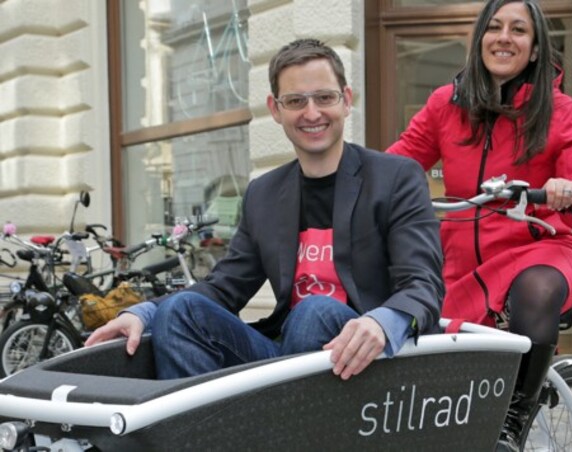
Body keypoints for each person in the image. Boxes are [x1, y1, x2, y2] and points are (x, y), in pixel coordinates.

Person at [86, 39, 444, 382]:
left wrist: (383, 322)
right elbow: (224, 287)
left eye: (324, 97)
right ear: (276, 109)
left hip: (367, 363)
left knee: (315, 311)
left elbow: (423, 285)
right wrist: (144, 312)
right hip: (286, 359)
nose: (312, 113)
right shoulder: (265, 193)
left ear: (346, 101)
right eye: (295, 101)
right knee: (180, 312)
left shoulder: (395, 177)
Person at [386, 1, 572, 450]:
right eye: (495, 27)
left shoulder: (561, 112)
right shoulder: (446, 106)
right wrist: (348, 178)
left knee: (536, 289)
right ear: (480, 38)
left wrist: (568, 191)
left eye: (519, 30)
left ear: (536, 48)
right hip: (460, 258)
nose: (504, 37)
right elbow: (397, 164)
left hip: (541, 247)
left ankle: (511, 422)